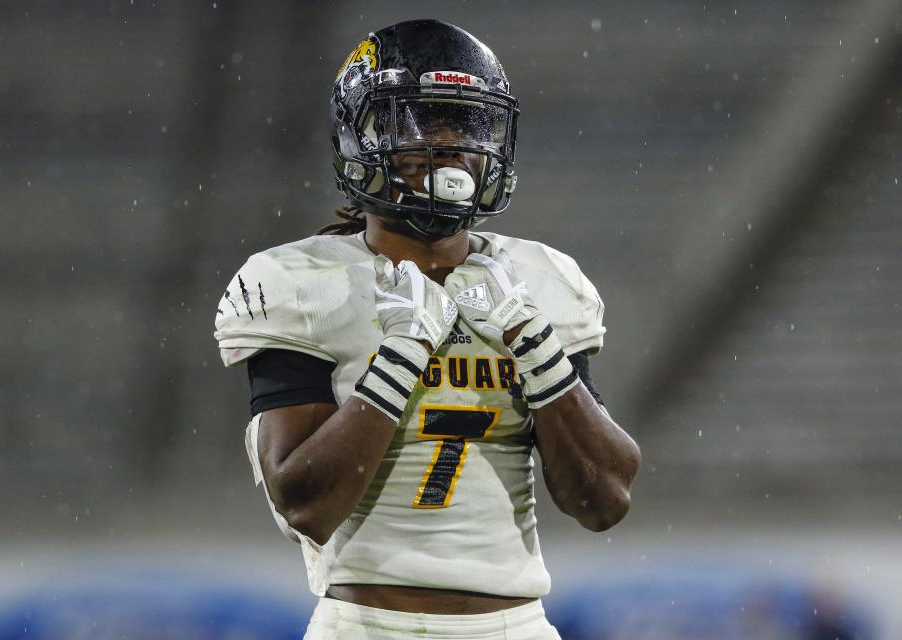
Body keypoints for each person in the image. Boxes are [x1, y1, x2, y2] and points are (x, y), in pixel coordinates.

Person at [214, 19, 641, 640]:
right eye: (418, 121)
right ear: (359, 139)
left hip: (516, 626)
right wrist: (400, 358)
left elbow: (603, 500)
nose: (449, 144)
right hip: (368, 624)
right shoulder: (302, 281)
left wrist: (537, 348)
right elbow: (306, 504)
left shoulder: (536, 282)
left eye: (465, 123)